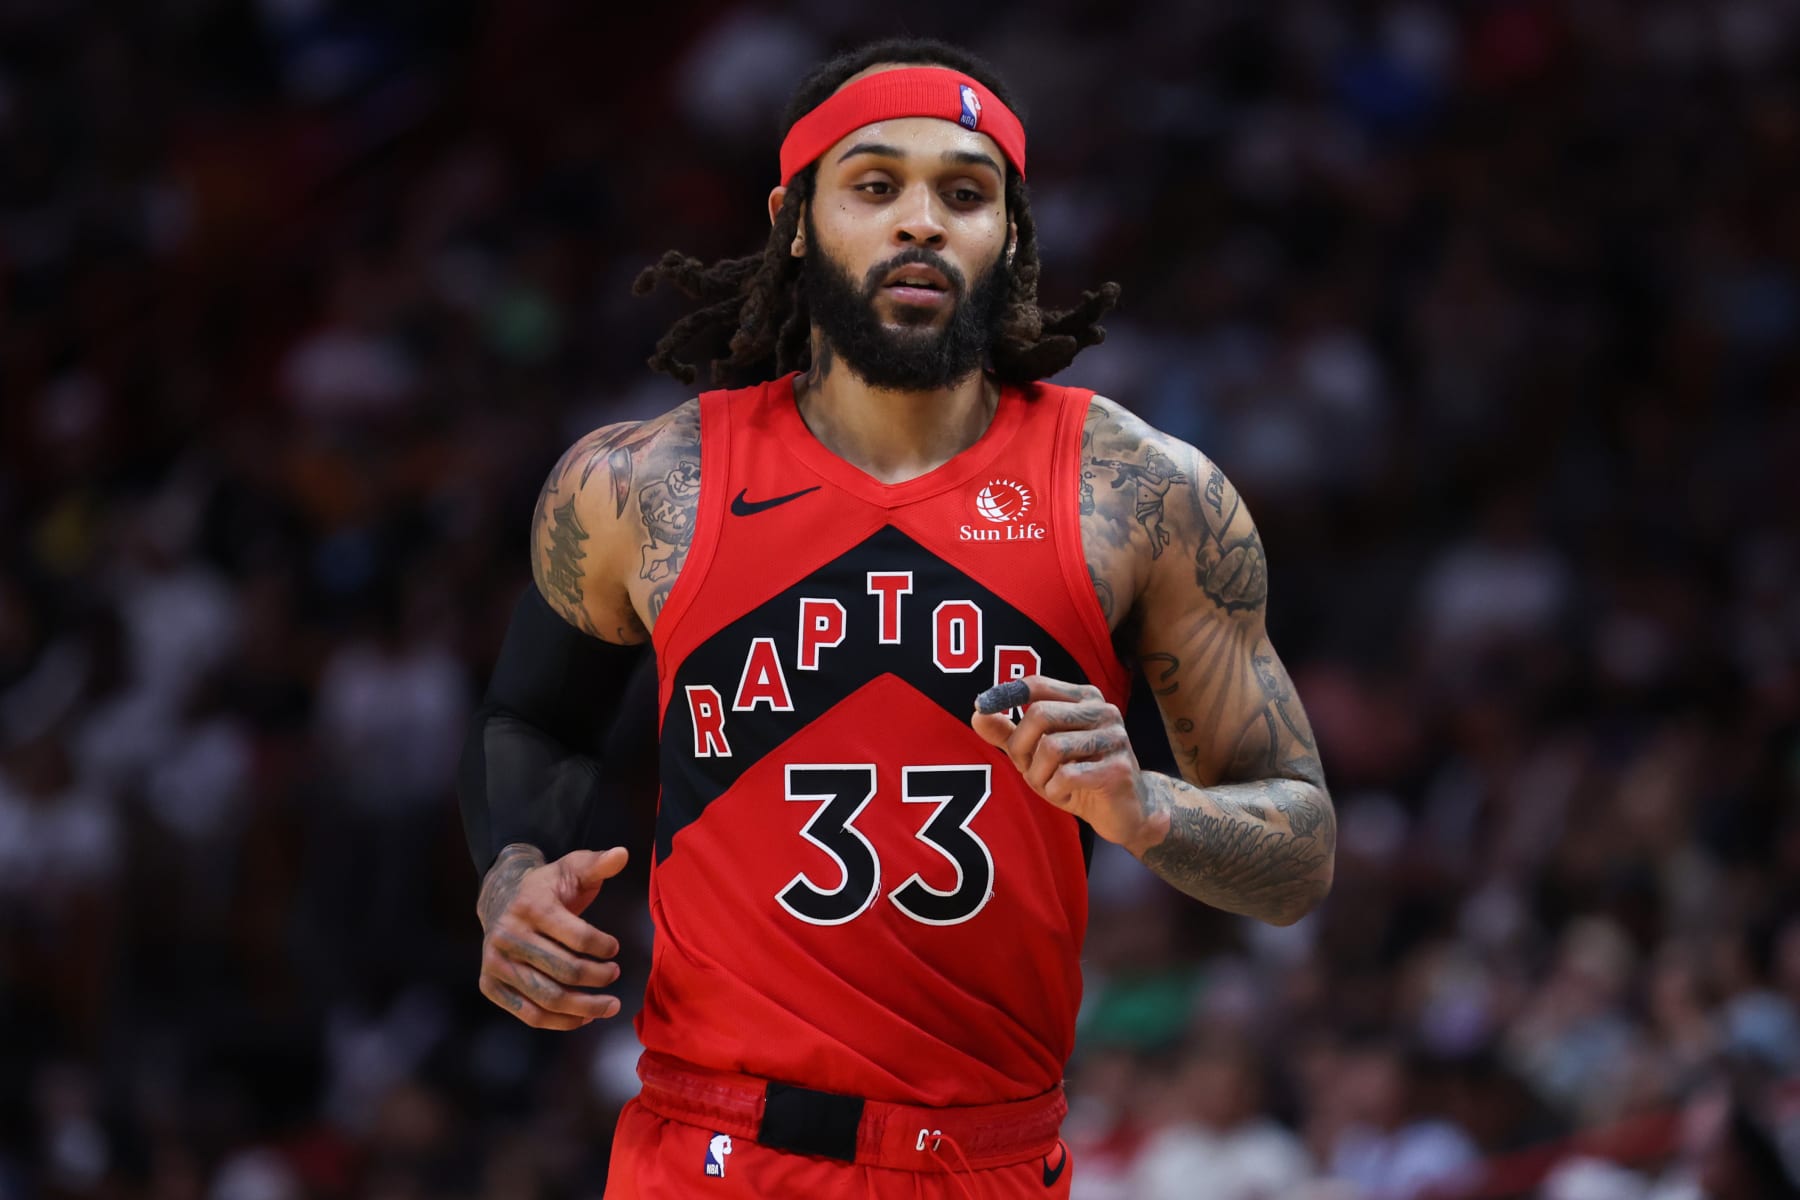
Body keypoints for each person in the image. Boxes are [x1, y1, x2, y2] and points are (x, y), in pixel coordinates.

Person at [457, 36, 1336, 1198]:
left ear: (1010, 236)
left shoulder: (1142, 493)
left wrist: (1149, 810)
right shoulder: (640, 487)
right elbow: (531, 717)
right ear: (796, 219)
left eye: (964, 194)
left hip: (990, 1158)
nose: (921, 221)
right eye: (875, 185)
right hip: (713, 1149)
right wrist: (510, 870)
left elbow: (1301, 852)